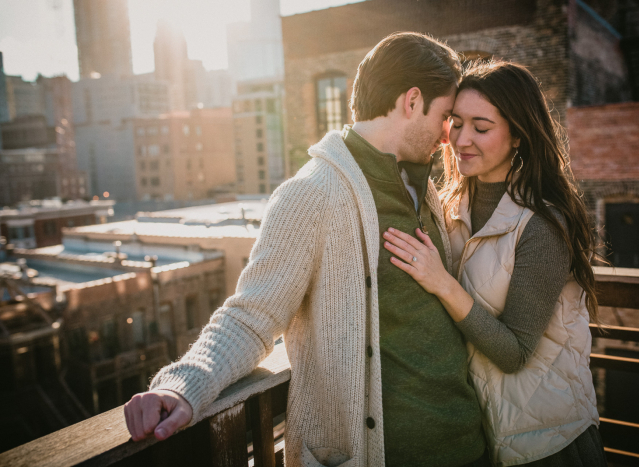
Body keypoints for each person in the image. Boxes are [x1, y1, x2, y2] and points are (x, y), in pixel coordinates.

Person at [124, 32, 490, 467]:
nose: (448, 137)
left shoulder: (420, 185)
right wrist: (181, 385)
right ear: (412, 101)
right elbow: (251, 316)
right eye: (445, 116)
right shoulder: (312, 195)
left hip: (468, 446)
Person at [382, 59, 607, 467]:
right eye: (455, 122)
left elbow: (515, 352)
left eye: (481, 128)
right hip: (483, 439)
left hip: (548, 445)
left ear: (518, 135)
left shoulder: (542, 224)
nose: (462, 139)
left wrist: (443, 284)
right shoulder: (450, 207)